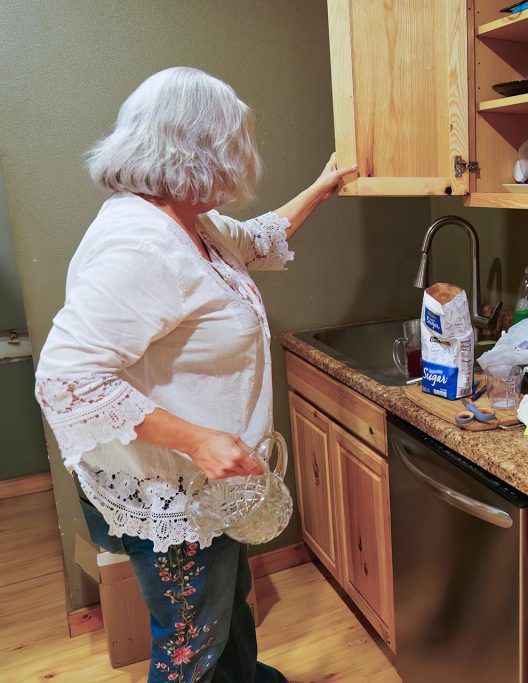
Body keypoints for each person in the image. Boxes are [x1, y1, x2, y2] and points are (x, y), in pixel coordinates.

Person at [34, 66, 355, 682]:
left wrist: (324, 184)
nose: (242, 165)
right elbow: (67, 381)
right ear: (198, 150)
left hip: (206, 486)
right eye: (234, 147)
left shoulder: (189, 224)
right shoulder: (142, 244)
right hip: (170, 488)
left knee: (228, 606)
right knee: (190, 650)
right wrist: (201, 441)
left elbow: (259, 238)